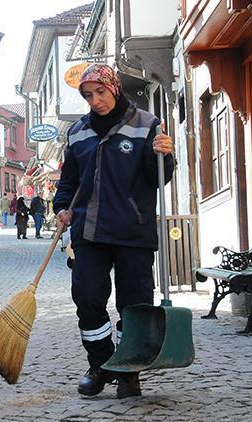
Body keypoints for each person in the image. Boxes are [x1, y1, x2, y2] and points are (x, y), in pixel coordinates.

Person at [53, 64, 174, 399]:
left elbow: (158, 179)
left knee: (134, 303)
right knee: (87, 297)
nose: (95, 100)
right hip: (89, 230)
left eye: (100, 92)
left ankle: (129, 370)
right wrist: (61, 207)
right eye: (88, 95)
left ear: (115, 88)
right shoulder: (77, 132)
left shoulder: (148, 124)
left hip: (133, 229)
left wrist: (165, 155)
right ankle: (102, 364)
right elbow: (69, 181)